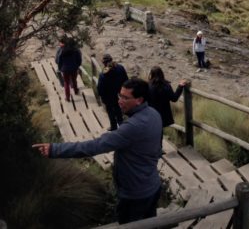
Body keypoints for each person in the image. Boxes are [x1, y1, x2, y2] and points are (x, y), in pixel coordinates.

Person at [33, 77, 163, 223]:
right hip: (152, 186)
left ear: (139, 100)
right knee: (151, 223)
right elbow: (158, 148)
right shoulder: (153, 114)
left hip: (135, 194)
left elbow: (95, 146)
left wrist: (55, 149)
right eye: (119, 95)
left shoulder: (132, 127)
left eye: (125, 98)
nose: (120, 100)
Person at [97, 54, 129, 131]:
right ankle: (121, 125)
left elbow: (100, 87)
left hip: (108, 95)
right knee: (118, 108)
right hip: (119, 92)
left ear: (104, 63)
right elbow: (126, 79)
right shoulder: (120, 68)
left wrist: (101, 95)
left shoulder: (103, 74)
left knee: (110, 110)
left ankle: (113, 126)